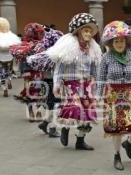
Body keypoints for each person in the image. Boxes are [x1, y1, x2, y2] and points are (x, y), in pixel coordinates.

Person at [46, 13, 102, 150]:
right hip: (71, 83)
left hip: (87, 84)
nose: (88, 34)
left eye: (90, 31)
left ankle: (80, 140)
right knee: (75, 109)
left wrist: (97, 85)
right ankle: (65, 128)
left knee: (88, 113)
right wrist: (57, 84)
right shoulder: (69, 47)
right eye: (85, 30)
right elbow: (59, 68)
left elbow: (95, 69)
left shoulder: (93, 48)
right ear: (78, 31)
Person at [97, 21, 131, 170]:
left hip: (130, 94)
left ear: (126, 41)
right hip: (113, 95)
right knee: (116, 128)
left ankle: (128, 143)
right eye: (116, 41)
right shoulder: (106, 57)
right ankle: (117, 155)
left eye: (122, 40)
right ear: (111, 43)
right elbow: (101, 77)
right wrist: (99, 96)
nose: (119, 43)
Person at [26, 27, 63, 137]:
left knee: (53, 103)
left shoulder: (43, 50)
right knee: (58, 104)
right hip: (55, 80)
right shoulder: (55, 53)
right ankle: (52, 127)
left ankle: (45, 123)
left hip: (46, 79)